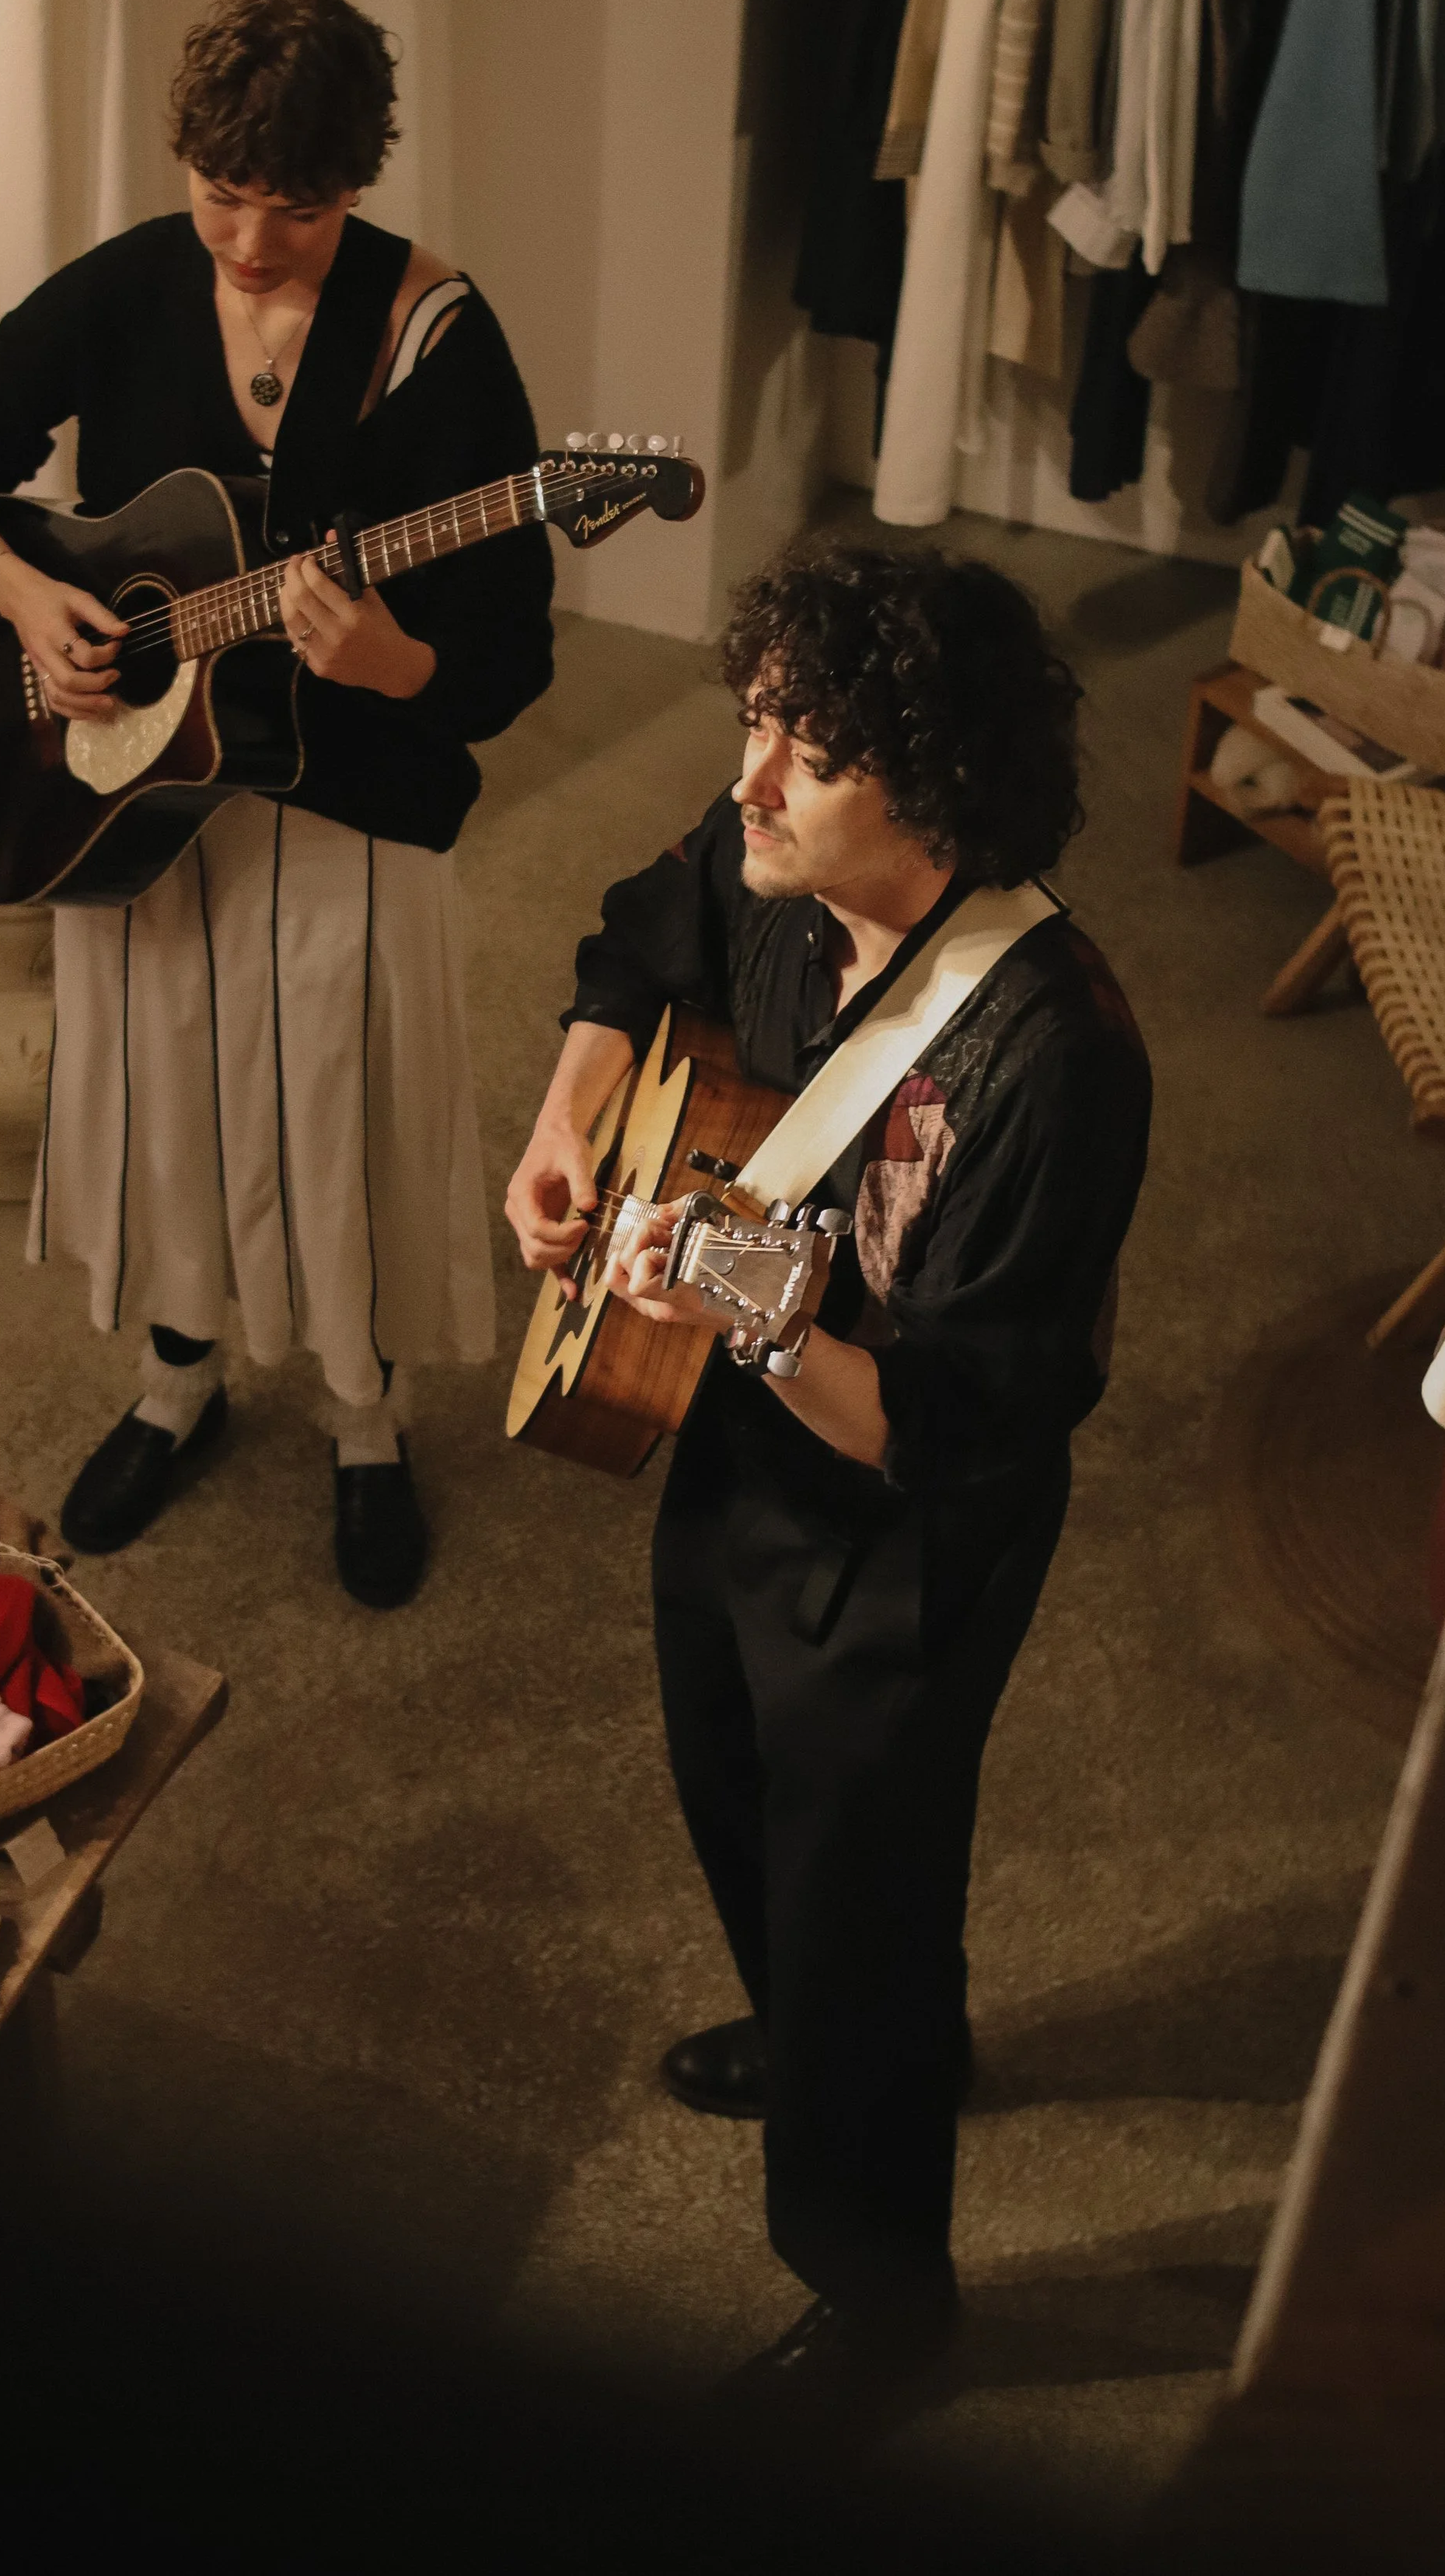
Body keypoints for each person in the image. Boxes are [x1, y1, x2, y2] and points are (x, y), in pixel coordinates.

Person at [505, 542, 1151, 2401]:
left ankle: (883, 2301)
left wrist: (754, 1311)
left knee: (860, 1872)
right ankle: (838, 2031)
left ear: (931, 787)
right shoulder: (769, 879)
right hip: (731, 1466)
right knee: (725, 1775)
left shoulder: (1055, 1060)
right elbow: (635, 934)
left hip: (903, 1541)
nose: (744, 782)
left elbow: (965, 1423)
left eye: (801, 747)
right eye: (751, 721)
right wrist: (567, 1113)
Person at [0, 0, 553, 1605]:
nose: (246, 244)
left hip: (344, 802)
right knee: (165, 1098)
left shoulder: (432, 333)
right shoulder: (131, 286)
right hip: (127, 799)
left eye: (295, 211)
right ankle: (177, 1379)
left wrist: (390, 661)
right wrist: (29, 600)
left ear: (358, 183)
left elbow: (510, 649)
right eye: (218, 197)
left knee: (332, 1106)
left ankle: (361, 1415)